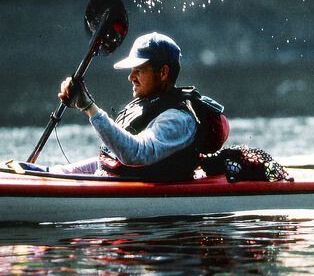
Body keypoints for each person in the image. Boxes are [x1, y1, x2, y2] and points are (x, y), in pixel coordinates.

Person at [50, 31, 229, 180]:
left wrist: (89, 107)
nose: (131, 77)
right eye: (131, 70)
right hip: (117, 180)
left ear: (163, 73)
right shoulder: (147, 104)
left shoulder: (178, 119)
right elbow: (110, 160)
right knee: (51, 172)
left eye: (139, 70)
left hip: (157, 206)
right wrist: (57, 173)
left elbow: (136, 154)